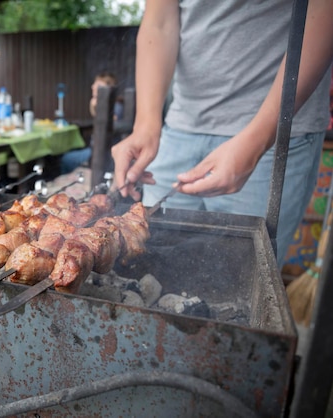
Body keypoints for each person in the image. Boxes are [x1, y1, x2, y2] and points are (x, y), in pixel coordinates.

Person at [111, 0, 333, 268]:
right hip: (179, 130)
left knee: (240, 277)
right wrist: (145, 125)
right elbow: (159, 22)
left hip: (274, 134)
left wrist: (256, 141)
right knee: (150, 268)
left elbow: (324, 9)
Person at [60, 71, 122, 174]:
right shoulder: (105, 104)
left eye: (97, 84)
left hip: (104, 154)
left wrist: (95, 106)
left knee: (66, 159)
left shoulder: (116, 106)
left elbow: (109, 124)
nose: (92, 86)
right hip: (96, 150)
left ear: (108, 88)